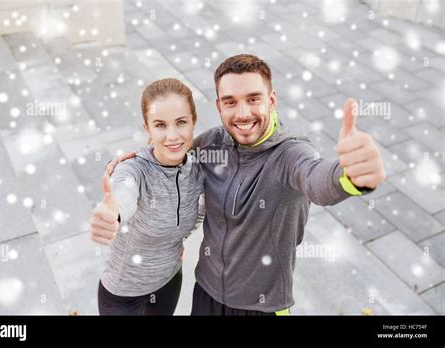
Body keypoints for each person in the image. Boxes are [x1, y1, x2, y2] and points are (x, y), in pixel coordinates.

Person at [101, 54, 386, 316]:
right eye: (230, 102)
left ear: (271, 101)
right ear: (219, 106)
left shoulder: (292, 155)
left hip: (263, 306)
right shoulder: (211, 143)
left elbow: (318, 180)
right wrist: (130, 163)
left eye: (253, 99)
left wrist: (351, 176)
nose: (242, 114)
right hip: (206, 295)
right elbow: (172, 154)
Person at [91, 78, 204, 315]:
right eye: (161, 125)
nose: (172, 136)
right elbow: (124, 194)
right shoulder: (134, 169)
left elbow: (196, 210)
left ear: (194, 121)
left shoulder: (198, 172)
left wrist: (176, 240)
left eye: (181, 122)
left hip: (168, 282)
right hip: (123, 294)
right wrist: (113, 212)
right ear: (148, 129)